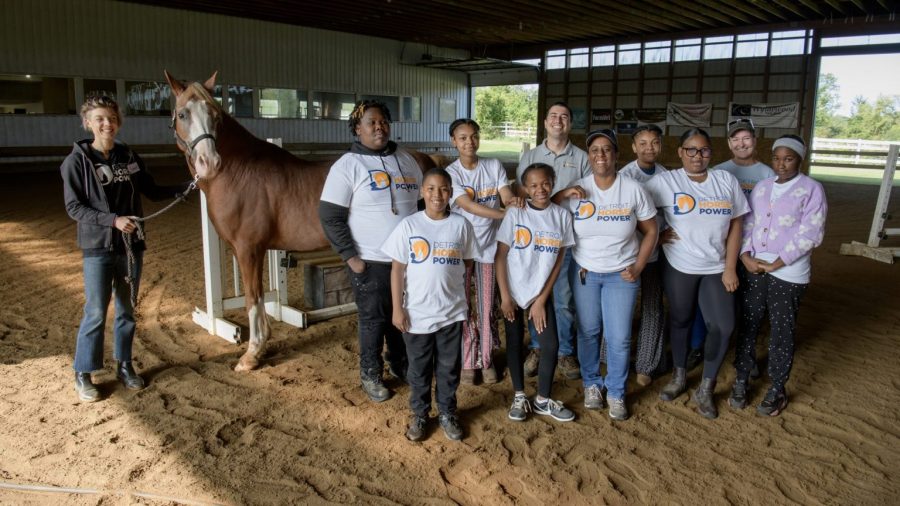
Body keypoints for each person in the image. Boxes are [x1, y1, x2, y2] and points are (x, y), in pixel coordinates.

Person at [61, 94, 189, 402]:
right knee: (94, 312)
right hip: (98, 248)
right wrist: (112, 220)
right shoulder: (76, 162)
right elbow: (74, 207)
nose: (108, 124)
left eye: (112, 119)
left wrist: (183, 188)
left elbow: (150, 189)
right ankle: (84, 371)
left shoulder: (128, 156)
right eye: (100, 119)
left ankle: (124, 365)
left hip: (131, 246)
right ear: (87, 123)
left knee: (127, 311)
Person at [319, 100, 423, 403]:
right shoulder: (347, 165)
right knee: (373, 319)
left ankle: (398, 361)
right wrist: (352, 258)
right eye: (371, 122)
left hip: (406, 260)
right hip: (371, 259)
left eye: (383, 122)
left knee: (402, 315)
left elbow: (418, 206)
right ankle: (370, 372)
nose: (379, 127)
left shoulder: (406, 159)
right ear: (357, 128)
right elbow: (329, 215)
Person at [645, 128, 750, 419]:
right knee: (680, 320)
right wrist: (655, 234)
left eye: (703, 150)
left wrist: (730, 267)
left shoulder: (725, 181)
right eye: (691, 150)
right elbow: (637, 208)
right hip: (681, 265)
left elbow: (737, 224)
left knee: (724, 325)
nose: (697, 156)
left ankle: (706, 387)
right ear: (680, 152)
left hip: (717, 267)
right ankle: (679, 377)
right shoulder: (666, 181)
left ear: (711, 154)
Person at [553, 129, 658, 421]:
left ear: (616, 155)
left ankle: (615, 391)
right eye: (595, 150)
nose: (601, 155)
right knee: (588, 332)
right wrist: (562, 193)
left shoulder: (633, 189)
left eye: (607, 150)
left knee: (619, 337)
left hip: (621, 275)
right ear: (589, 157)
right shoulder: (577, 188)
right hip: (585, 271)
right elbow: (545, 208)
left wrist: (638, 265)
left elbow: (651, 230)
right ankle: (591, 385)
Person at [729, 135, 827, 416]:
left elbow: (811, 232)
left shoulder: (811, 189)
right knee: (749, 322)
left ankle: (777, 387)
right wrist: (745, 256)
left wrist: (779, 262)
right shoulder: (762, 187)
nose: (781, 164)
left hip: (789, 271)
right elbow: (748, 223)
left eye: (789, 158)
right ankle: (742, 376)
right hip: (755, 266)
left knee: (782, 330)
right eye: (777, 158)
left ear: (800, 159)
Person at [383, 168, 476, 441]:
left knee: (448, 368)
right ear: (422, 192)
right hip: (417, 315)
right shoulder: (410, 225)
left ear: (451, 193)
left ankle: (447, 412)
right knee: (419, 369)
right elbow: (397, 270)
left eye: (444, 189)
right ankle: (420, 414)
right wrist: (398, 308)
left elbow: (467, 263)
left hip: (451, 312)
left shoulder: (461, 225)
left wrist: (465, 301)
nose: (438, 195)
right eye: (432, 189)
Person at [687, 118, 775, 369]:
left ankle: (744, 352)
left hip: (755, 248)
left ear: (755, 141)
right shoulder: (719, 172)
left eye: (746, 138)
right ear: (728, 143)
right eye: (735, 139)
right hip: (721, 245)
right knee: (707, 300)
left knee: (750, 303)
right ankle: (697, 346)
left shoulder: (767, 174)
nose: (741, 143)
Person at [515, 102, 591, 380]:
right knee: (535, 292)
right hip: (535, 239)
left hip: (566, 239)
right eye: (554, 116)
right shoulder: (531, 155)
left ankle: (565, 351)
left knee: (564, 298)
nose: (559, 120)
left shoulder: (582, 158)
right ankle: (537, 346)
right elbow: (522, 192)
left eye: (565, 116)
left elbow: (588, 194)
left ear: (570, 123)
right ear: (545, 122)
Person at [496, 163, 575, 423]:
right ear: (524, 188)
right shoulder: (516, 213)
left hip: (539, 293)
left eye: (545, 183)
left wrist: (541, 300)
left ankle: (542, 399)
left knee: (550, 343)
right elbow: (500, 256)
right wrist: (506, 297)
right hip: (512, 291)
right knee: (515, 341)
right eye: (533, 185)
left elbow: (558, 261)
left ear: (553, 182)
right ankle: (519, 395)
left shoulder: (562, 217)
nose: (540, 189)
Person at [445, 119, 522, 385]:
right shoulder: (452, 173)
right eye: (463, 138)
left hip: (489, 246)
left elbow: (505, 194)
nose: (470, 142)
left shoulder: (493, 165)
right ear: (454, 141)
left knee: (487, 305)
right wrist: (503, 214)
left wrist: (512, 202)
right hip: (462, 249)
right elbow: (467, 205)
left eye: (474, 136)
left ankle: (486, 358)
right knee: (464, 306)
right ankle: (468, 360)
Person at [617, 124, 668, 386]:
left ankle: (647, 364)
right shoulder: (625, 176)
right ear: (634, 147)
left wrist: (663, 234)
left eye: (655, 142)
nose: (650, 148)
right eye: (644, 143)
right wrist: (653, 232)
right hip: (626, 254)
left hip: (654, 255)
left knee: (652, 306)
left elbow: (671, 213)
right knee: (619, 309)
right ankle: (611, 358)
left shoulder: (667, 176)